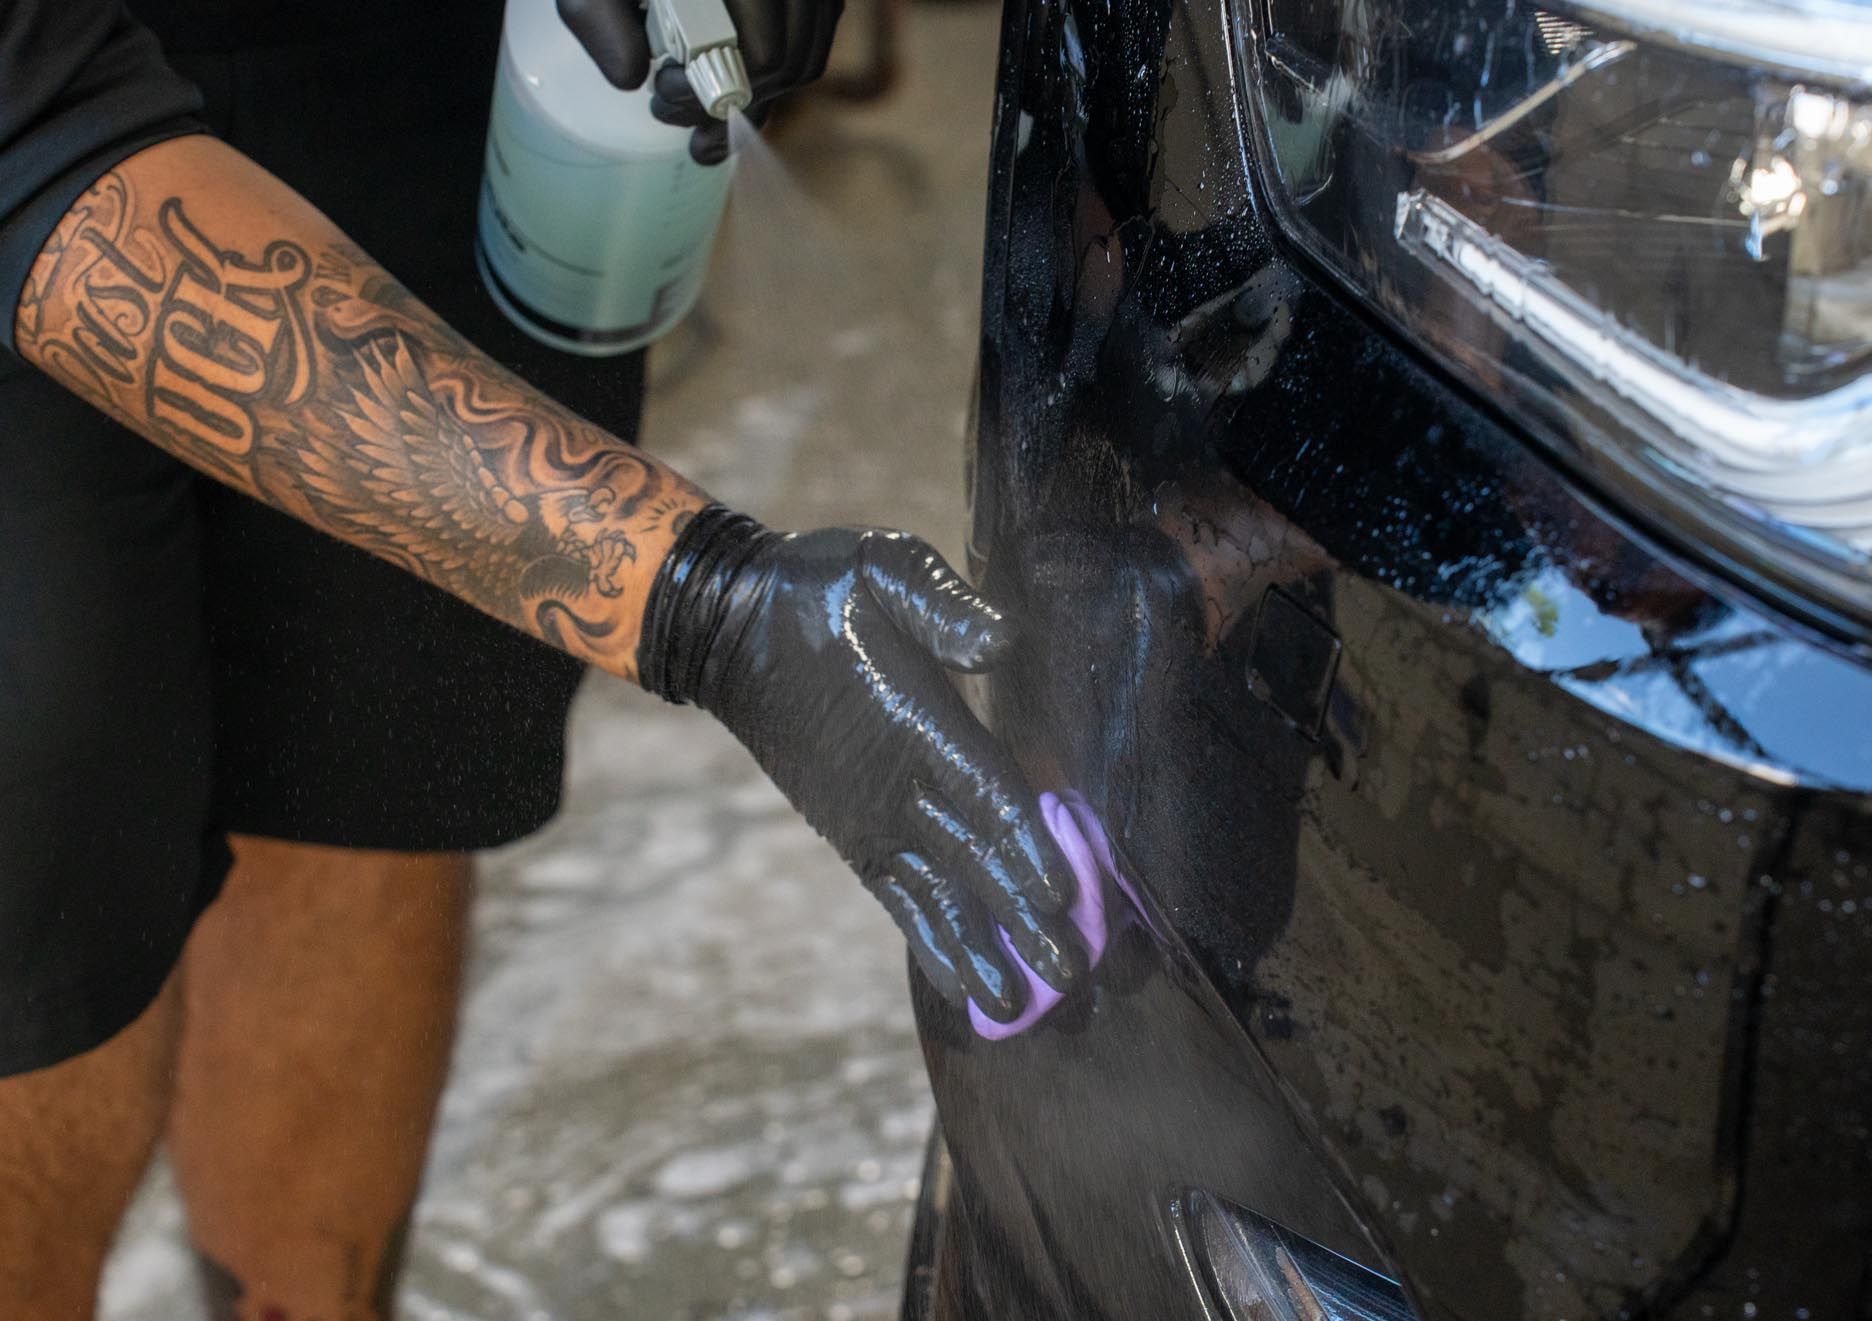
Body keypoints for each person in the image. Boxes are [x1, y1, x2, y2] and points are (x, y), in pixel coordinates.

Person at [0, 1, 1083, 1315]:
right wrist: (703, 601)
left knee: (374, 764)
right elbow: (37, 138)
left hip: (423, 54)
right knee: (44, 889)